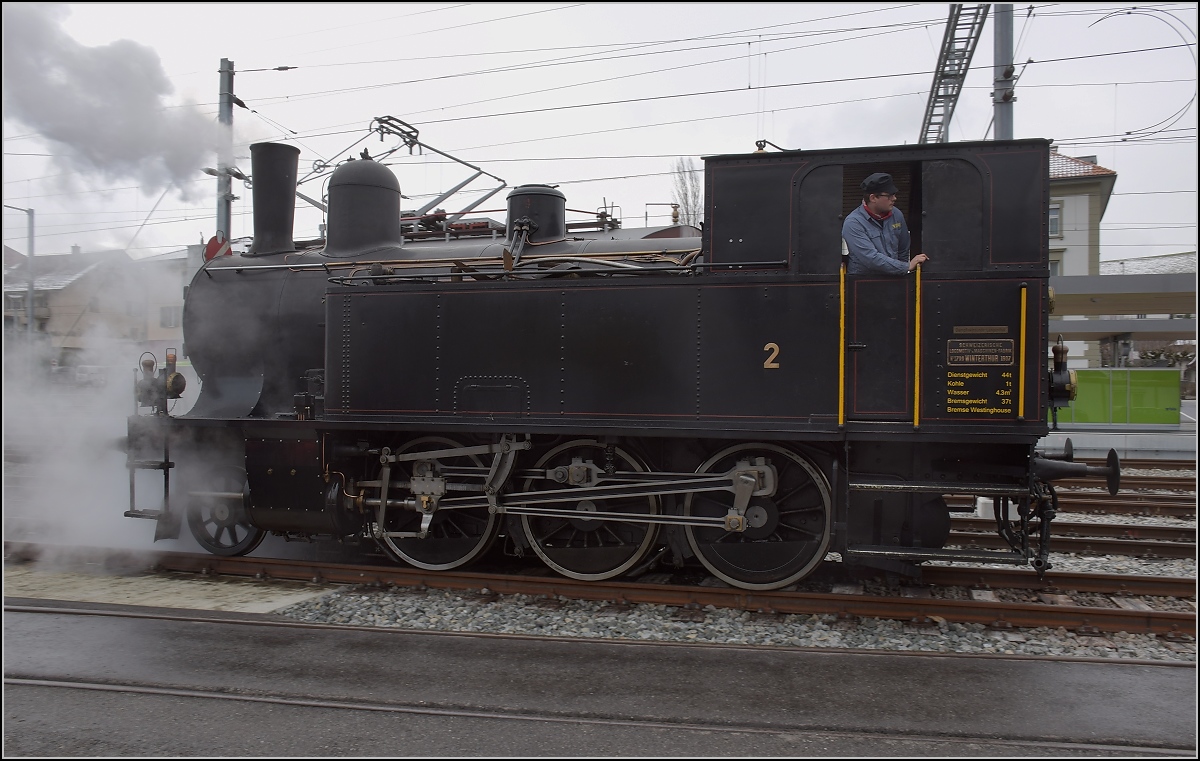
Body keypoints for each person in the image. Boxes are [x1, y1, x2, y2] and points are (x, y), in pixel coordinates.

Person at [841, 172, 929, 275]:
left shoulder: (897, 214)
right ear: (873, 198)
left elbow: (903, 249)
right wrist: (906, 267)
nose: (894, 198)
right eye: (889, 196)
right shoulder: (853, 223)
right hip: (864, 282)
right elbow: (870, 258)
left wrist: (900, 273)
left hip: (894, 278)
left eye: (894, 194)